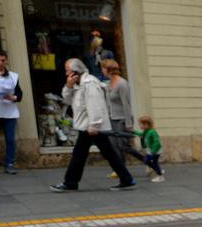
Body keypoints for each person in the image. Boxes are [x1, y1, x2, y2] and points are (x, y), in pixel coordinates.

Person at [51, 58, 135, 191]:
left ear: (75, 72)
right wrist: (68, 86)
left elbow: (96, 106)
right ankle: (127, 179)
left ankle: (70, 182)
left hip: (91, 127)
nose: (66, 74)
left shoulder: (90, 83)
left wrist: (94, 126)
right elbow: (67, 100)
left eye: (68, 71)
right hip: (86, 126)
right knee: (106, 153)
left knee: (81, 155)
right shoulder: (78, 84)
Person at [101, 59, 160, 177]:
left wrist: (128, 124)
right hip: (112, 119)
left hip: (122, 119)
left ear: (108, 70)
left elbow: (126, 105)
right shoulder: (108, 83)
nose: (101, 70)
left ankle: (149, 162)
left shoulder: (122, 84)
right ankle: (120, 170)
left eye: (102, 68)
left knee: (124, 146)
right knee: (115, 147)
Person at [133, 115, 165, 182]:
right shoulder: (146, 131)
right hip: (150, 150)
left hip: (155, 151)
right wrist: (133, 132)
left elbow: (156, 142)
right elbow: (140, 134)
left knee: (154, 163)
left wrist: (153, 151)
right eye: (140, 124)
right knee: (146, 161)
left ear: (147, 124)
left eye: (142, 124)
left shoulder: (152, 132)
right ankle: (158, 170)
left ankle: (160, 176)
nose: (140, 126)